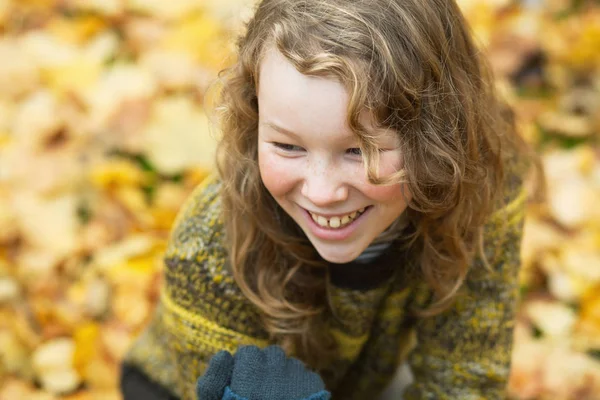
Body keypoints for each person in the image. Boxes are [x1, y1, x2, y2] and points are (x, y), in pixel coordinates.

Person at [120, 0, 538, 399]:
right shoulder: (211, 240)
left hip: (366, 381)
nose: (321, 193)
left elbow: (464, 382)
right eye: (287, 146)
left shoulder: (482, 193)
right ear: (254, 115)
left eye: (360, 150)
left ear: (439, 135)